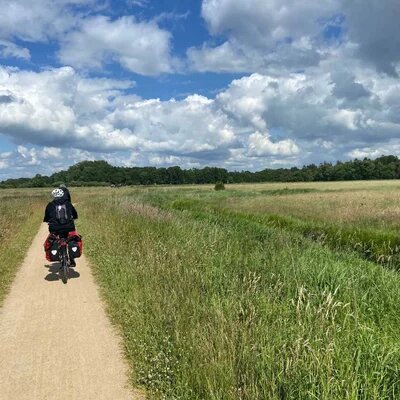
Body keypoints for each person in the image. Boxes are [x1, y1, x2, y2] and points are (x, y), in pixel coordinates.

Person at [43, 188, 79, 266]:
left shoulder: (50, 205)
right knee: (69, 241)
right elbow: (74, 213)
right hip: (68, 226)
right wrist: (74, 217)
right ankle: (72, 259)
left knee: (54, 240)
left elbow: (46, 216)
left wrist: (46, 220)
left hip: (54, 228)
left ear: (54, 195)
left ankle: (57, 253)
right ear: (62, 195)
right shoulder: (68, 203)